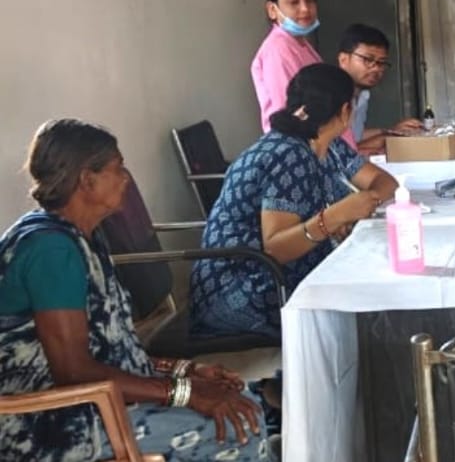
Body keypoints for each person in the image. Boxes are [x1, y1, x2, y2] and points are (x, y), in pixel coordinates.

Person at [0, 119, 275, 461]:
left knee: (243, 400)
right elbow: (74, 372)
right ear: (87, 180)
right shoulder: (50, 250)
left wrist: (186, 371)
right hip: (48, 424)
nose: (126, 178)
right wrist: (184, 392)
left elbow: (110, 352)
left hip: (91, 402)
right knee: (236, 427)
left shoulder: (79, 237)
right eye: (118, 168)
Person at [191, 64, 394, 339]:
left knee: (375, 276)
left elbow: (384, 182)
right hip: (246, 288)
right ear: (346, 110)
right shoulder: (287, 154)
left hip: (281, 273)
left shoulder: (328, 144)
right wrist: (336, 216)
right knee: (372, 299)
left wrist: (364, 203)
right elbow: (276, 248)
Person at [335, 24, 424, 155]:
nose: (376, 68)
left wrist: (392, 131)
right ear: (343, 60)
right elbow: (337, 155)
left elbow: (354, 137)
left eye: (381, 62)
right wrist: (386, 138)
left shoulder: (362, 95)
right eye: (367, 59)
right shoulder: (330, 97)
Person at [251, 0, 322, 134]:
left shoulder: (300, 44)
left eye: (310, 0)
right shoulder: (277, 49)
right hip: (297, 139)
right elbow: (290, 109)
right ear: (272, 10)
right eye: (294, 2)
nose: (305, 8)